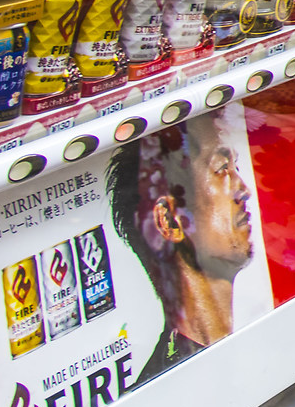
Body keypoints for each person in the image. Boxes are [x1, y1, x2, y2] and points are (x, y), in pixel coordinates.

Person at [109, 119, 260, 386]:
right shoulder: (161, 391)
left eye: (236, 167)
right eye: (222, 169)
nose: (244, 191)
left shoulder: (234, 354)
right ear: (169, 220)